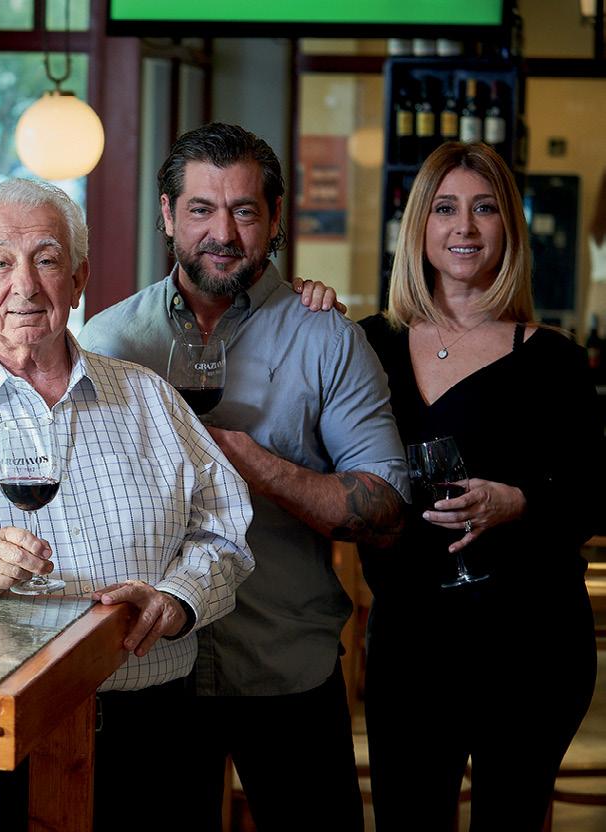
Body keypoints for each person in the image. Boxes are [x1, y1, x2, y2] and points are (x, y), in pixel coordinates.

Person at [0, 177, 256, 830]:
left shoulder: (150, 398)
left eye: (47, 259)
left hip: (151, 738)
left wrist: (178, 599)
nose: (26, 285)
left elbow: (224, 528)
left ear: (79, 278)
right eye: (1, 262)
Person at [78, 122, 409, 831]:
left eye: (244, 211)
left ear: (275, 216)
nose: (222, 233)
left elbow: (386, 507)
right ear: (168, 214)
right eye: (201, 209)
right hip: (148, 673)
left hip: (285, 667)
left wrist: (255, 463)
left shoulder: (327, 338)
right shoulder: (110, 342)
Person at [358, 141, 602, 830]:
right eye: (445, 208)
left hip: (530, 643)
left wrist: (517, 501)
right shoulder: (368, 343)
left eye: (484, 208)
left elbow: (593, 495)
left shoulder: (552, 358)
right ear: (419, 226)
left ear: (508, 228)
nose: (464, 227)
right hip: (410, 640)